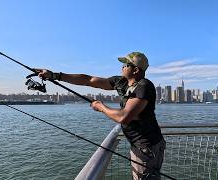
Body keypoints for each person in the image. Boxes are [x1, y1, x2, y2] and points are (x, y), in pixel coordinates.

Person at [36, 52, 166, 180]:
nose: (122, 67)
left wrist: (101, 107)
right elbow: (89, 80)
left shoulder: (144, 86)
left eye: (126, 65)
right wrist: (55, 75)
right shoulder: (122, 82)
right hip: (141, 144)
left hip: (147, 146)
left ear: (135, 70)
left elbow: (124, 117)